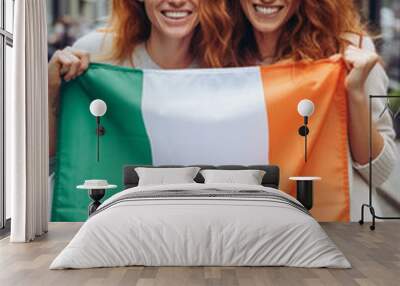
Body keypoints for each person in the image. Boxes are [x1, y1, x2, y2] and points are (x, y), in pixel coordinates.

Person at [231, 0, 399, 220]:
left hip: (339, 236)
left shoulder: (348, 49)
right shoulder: (223, 59)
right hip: (262, 235)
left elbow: (379, 172)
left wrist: (355, 92)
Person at [48, 0, 232, 156]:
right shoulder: (95, 54)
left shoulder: (227, 70)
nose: (176, 1)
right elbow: (55, 160)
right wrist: (50, 91)